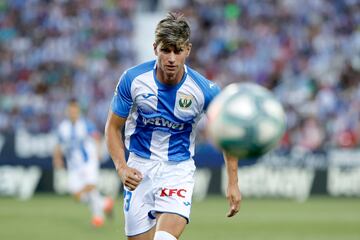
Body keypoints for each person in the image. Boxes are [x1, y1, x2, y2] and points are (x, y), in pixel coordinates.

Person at [105, 12, 241, 240]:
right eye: (165, 50)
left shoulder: (204, 90)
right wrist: (121, 167)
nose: (171, 58)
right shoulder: (133, 80)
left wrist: (233, 183)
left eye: (177, 51)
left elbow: (227, 131)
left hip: (177, 170)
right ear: (155, 47)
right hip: (139, 168)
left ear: (187, 50)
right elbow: (112, 127)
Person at [53, 98, 114, 228]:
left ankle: (98, 217)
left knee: (90, 186)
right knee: (77, 195)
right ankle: (104, 203)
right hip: (73, 166)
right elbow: (58, 144)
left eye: (75, 110)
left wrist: (98, 152)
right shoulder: (63, 127)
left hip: (88, 161)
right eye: (70, 110)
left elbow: (97, 137)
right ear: (67, 111)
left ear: (78, 111)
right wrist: (57, 158)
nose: (72, 113)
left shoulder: (85, 124)